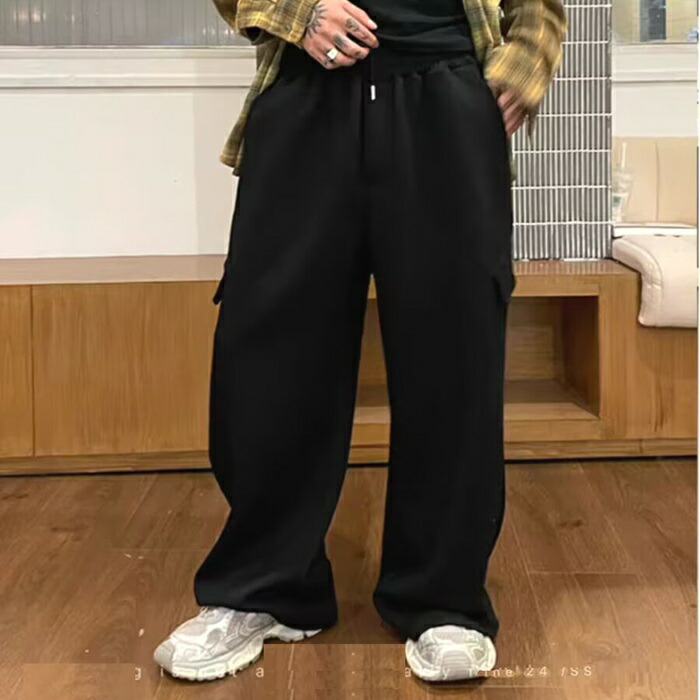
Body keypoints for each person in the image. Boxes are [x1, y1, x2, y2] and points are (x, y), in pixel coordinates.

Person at [154, 0, 566, 684]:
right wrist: (298, 13)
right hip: (306, 87)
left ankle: (443, 601)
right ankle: (262, 588)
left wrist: (525, 62)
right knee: (270, 354)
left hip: (448, 92)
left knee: (453, 353)